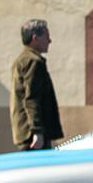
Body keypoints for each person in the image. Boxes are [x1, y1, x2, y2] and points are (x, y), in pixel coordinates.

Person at [10, 18, 63, 150]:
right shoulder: (33, 61)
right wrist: (37, 131)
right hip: (33, 135)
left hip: (28, 132)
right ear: (35, 38)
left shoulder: (22, 60)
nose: (49, 41)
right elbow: (31, 98)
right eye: (46, 37)